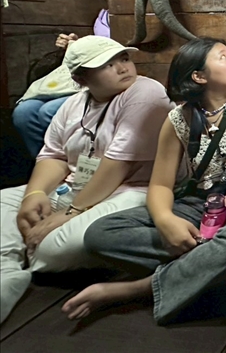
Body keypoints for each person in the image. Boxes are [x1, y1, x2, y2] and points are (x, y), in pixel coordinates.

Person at [62, 37, 226, 324]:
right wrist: (166, 220)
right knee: (100, 234)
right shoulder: (178, 120)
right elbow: (160, 185)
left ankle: (139, 288)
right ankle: (214, 264)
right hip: (203, 205)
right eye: (223, 57)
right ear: (199, 76)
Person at [0, 36, 171, 324]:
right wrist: (34, 194)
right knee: (5, 200)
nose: (123, 68)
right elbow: (54, 155)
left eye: (124, 59)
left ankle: (28, 253)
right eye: (107, 65)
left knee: (54, 247)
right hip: (77, 186)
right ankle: (7, 274)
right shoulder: (73, 104)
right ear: (81, 78)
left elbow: (118, 164)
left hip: (132, 189)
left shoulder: (146, 92)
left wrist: (71, 212)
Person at [13, 0, 110, 157]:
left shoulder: (136, 13)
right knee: (24, 112)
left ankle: (72, 162)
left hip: (107, 81)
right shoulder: (101, 19)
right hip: (89, 79)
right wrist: (73, 44)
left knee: (49, 111)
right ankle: (46, 162)